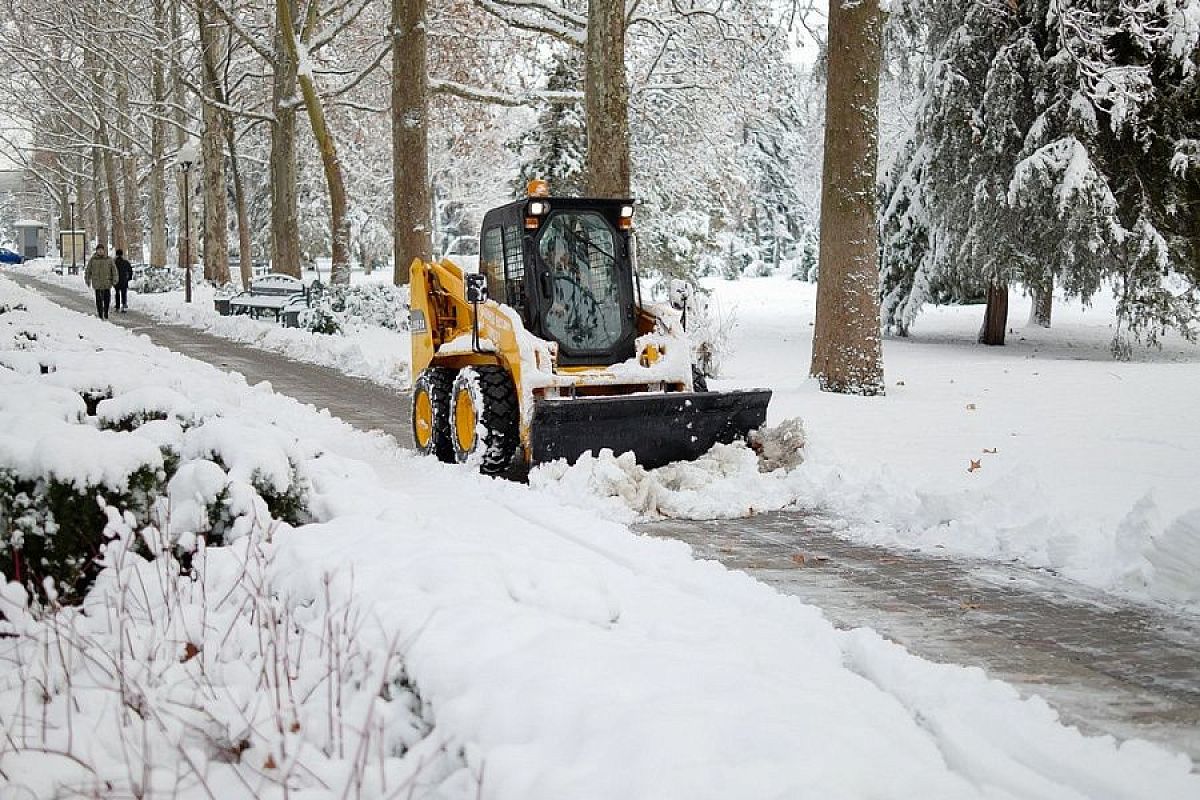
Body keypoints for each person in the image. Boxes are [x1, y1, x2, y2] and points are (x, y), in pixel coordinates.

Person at [84, 244, 118, 319]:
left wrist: (114, 279)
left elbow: (114, 270)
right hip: (97, 283)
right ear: (96, 251)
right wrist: (87, 279)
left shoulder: (108, 259)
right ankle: (100, 314)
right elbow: (88, 270)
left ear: (104, 251)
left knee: (107, 299)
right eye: (98, 250)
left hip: (107, 283)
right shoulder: (93, 260)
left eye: (101, 250)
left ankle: (105, 312)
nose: (100, 251)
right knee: (98, 300)